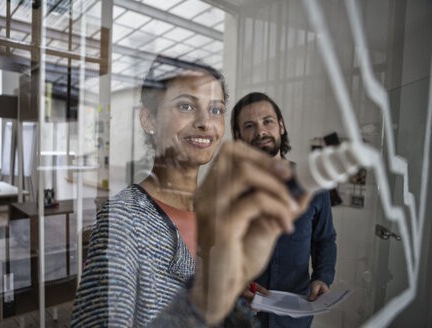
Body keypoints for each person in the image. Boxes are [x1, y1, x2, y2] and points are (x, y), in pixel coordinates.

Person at [71, 57, 311, 327]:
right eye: (186, 105)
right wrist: (203, 299)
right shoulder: (123, 220)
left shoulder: (215, 209)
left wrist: (228, 294)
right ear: (149, 118)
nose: (205, 123)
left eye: (216, 110)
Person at [231, 92, 337, 328]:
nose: (260, 131)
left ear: (281, 126)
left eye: (267, 121)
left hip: (294, 317)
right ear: (238, 135)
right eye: (250, 125)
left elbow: (325, 239)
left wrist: (322, 277)